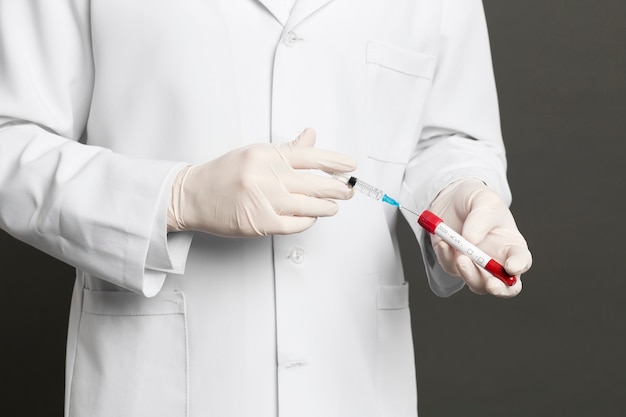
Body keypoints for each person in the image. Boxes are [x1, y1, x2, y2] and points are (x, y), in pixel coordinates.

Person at [0, 1, 532, 416]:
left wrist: (459, 189)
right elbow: (10, 138)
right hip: (162, 383)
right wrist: (176, 196)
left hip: (350, 381)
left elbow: (446, 135)